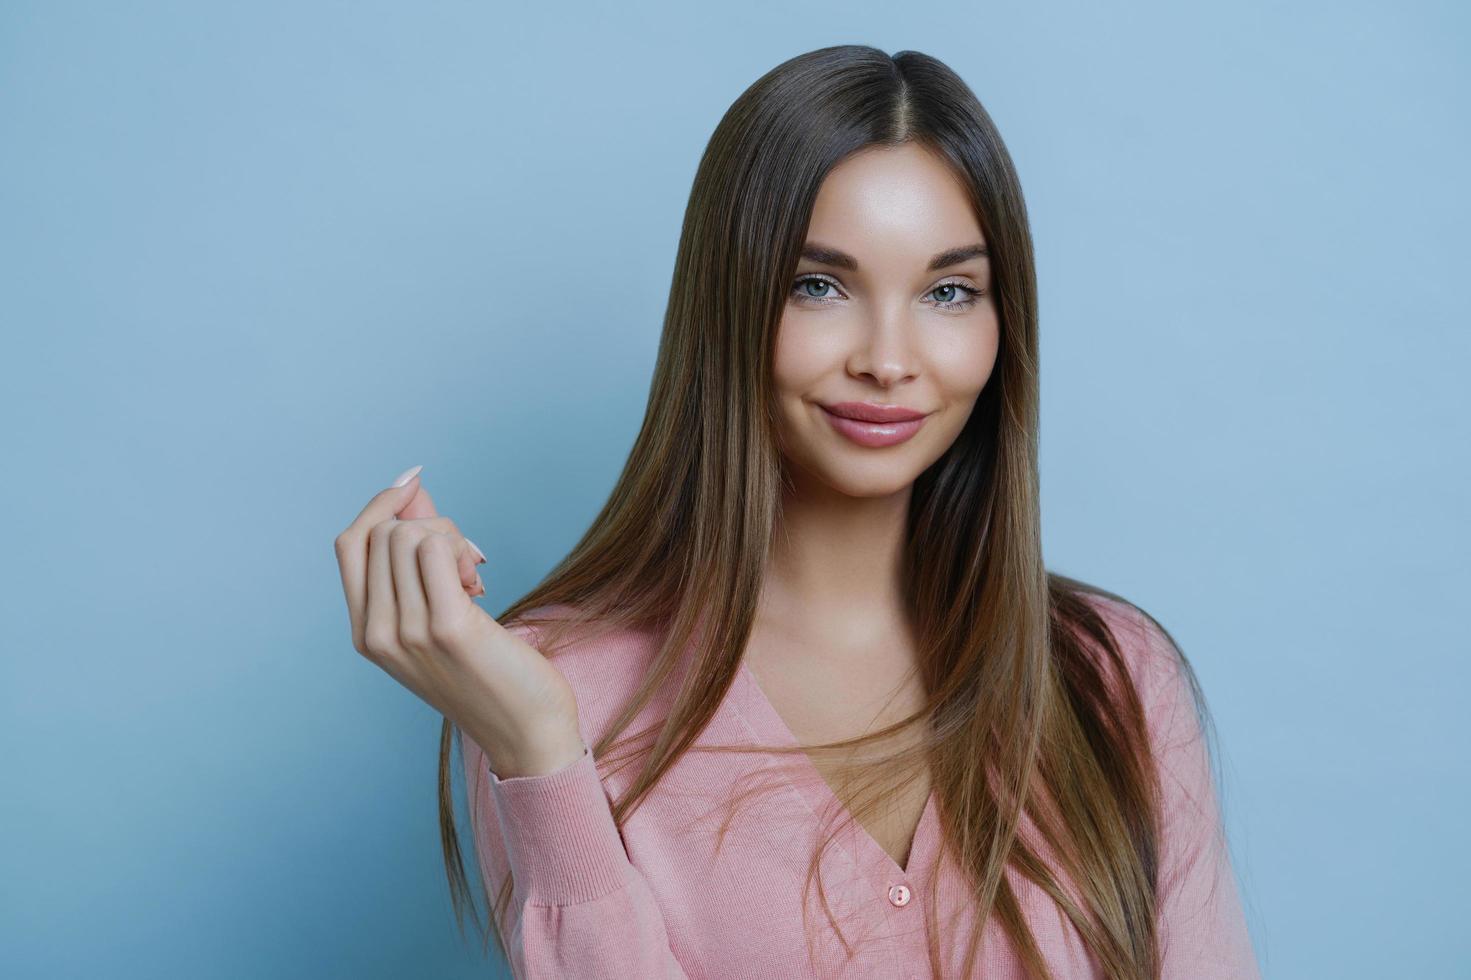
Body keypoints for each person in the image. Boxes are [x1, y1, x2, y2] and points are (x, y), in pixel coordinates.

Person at [332, 44, 1261, 979]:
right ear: (729, 303)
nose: (888, 359)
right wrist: (538, 749)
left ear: (1000, 322)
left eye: (948, 291)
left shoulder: (1114, 675)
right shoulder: (551, 695)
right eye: (818, 285)